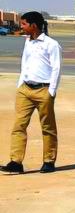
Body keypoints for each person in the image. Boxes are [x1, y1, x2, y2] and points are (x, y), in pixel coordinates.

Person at [5, 11, 62, 174]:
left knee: (48, 127)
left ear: (33, 25)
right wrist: (20, 84)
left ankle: (49, 161)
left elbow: (56, 68)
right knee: (19, 125)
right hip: (25, 90)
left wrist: (51, 91)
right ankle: (16, 162)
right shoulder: (27, 42)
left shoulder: (52, 44)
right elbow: (25, 63)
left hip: (43, 90)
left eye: (24, 24)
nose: (21, 27)